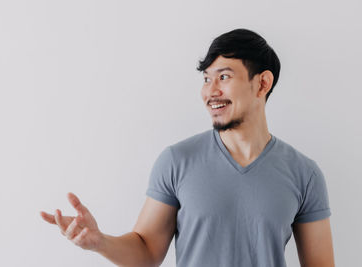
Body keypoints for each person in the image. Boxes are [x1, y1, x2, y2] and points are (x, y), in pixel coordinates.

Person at [40, 28, 335, 267]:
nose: (210, 91)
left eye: (224, 76)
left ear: (262, 84)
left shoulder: (304, 174)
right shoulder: (177, 161)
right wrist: (100, 242)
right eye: (206, 79)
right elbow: (146, 251)